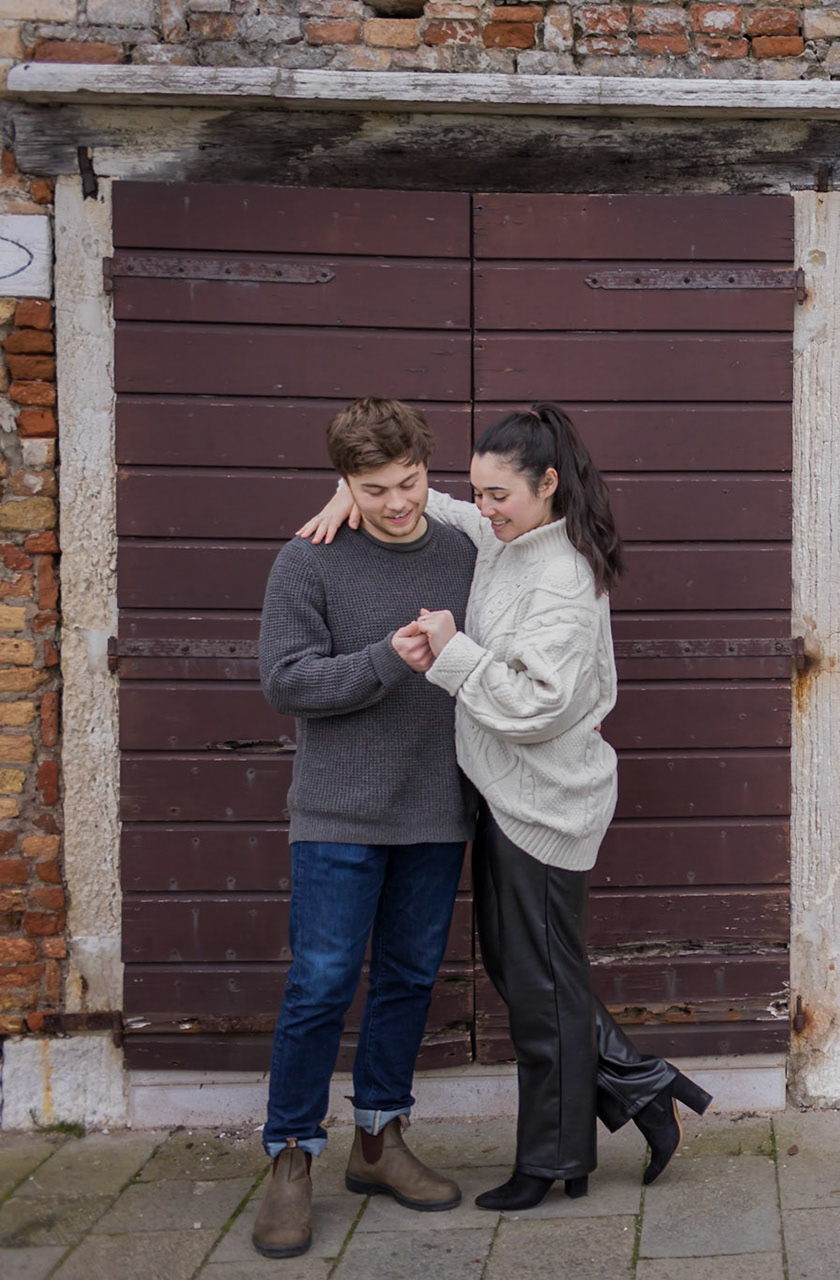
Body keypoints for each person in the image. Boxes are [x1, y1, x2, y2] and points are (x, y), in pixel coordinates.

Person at [302, 402, 711, 1213]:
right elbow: (442, 506)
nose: (480, 510)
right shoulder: (512, 537)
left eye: (498, 496)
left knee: (539, 993)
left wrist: (451, 653)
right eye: (477, 493)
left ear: (548, 484)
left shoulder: (560, 575)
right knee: (538, 978)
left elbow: (535, 707)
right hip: (504, 796)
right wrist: (359, 494)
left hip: (547, 808)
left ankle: (554, 1160)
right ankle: (641, 1089)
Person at [254, 398, 478, 1259]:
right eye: (374, 488)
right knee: (319, 984)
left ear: (429, 468)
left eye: (410, 482)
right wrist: (390, 660)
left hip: (435, 807)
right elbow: (287, 683)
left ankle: (379, 1142)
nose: (395, 503)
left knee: (409, 978)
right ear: (342, 484)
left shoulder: (462, 551)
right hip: (338, 814)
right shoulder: (306, 561)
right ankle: (291, 1158)